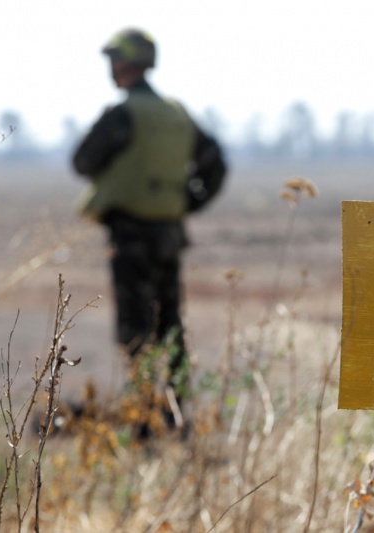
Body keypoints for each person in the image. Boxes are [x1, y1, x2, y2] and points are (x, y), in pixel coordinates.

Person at [72, 28, 227, 429]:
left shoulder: (123, 115)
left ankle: (145, 420)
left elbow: (84, 162)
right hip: (170, 234)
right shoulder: (177, 114)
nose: (110, 69)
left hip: (131, 236)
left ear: (124, 64)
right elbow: (215, 164)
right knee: (171, 325)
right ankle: (175, 414)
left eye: (113, 61)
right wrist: (184, 203)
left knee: (136, 330)